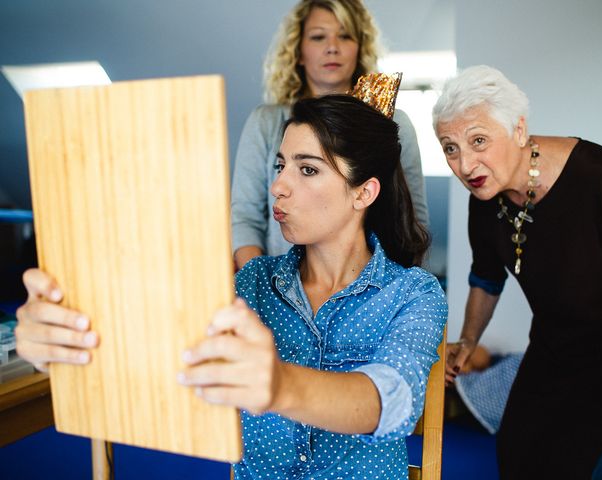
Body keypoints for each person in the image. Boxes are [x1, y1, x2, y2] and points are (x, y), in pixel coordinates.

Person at [16, 94, 447, 479]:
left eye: (308, 169)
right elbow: (157, 349)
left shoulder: (414, 293)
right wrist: (65, 337)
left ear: (364, 193)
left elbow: (392, 402)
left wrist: (280, 385)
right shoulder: (253, 282)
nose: (277, 186)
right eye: (280, 165)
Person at [433, 65, 602, 478]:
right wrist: (469, 339)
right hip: (552, 351)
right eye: (450, 147)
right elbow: (487, 275)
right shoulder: (485, 196)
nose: (464, 163)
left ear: (519, 129)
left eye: (478, 141)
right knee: (518, 452)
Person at [231, 0, 428, 269]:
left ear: (360, 47)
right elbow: (245, 218)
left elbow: (412, 218)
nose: (332, 47)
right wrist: (267, 290)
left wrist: (391, 296)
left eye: (345, 35)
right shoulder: (266, 122)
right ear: (299, 51)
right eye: (318, 36)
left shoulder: (394, 125)